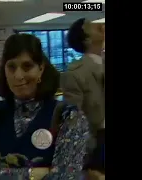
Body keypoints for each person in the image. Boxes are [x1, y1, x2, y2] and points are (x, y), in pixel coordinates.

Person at [0, 34, 90, 179]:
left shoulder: (69, 117)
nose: (18, 75)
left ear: (41, 68)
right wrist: (36, 174)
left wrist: (0, 173)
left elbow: (66, 176)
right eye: (11, 67)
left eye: (27, 66)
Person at [62, 18, 105, 177]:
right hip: (99, 147)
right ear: (86, 39)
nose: (101, 24)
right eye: (92, 24)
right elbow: (74, 123)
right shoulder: (75, 74)